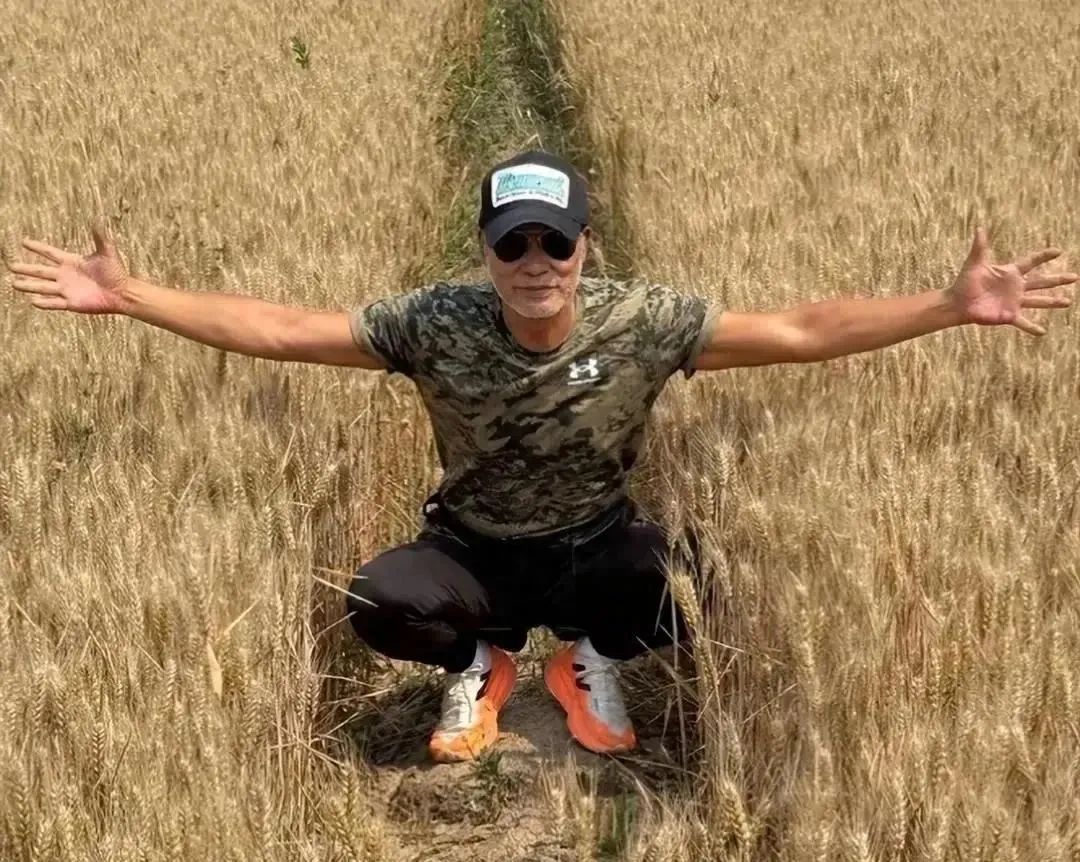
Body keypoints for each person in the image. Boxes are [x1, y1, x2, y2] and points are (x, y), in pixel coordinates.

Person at [8, 150, 1075, 763]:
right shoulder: (433, 322)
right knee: (378, 600)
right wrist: (131, 295)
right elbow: (284, 329)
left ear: (584, 245)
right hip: (471, 551)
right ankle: (482, 664)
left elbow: (801, 329)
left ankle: (588, 658)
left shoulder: (642, 321)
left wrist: (946, 307)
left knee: (699, 585)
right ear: (486, 249)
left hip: (593, 544)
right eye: (512, 241)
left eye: (554, 240)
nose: (535, 261)